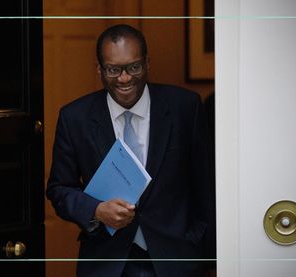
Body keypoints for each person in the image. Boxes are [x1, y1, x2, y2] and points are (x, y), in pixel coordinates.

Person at [46, 24, 215, 277]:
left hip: (177, 259)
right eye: (113, 70)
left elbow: (206, 185)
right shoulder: (75, 118)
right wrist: (95, 210)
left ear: (147, 63)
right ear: (99, 69)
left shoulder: (185, 107)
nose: (124, 78)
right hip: (107, 262)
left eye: (133, 67)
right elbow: (59, 189)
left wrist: (201, 247)